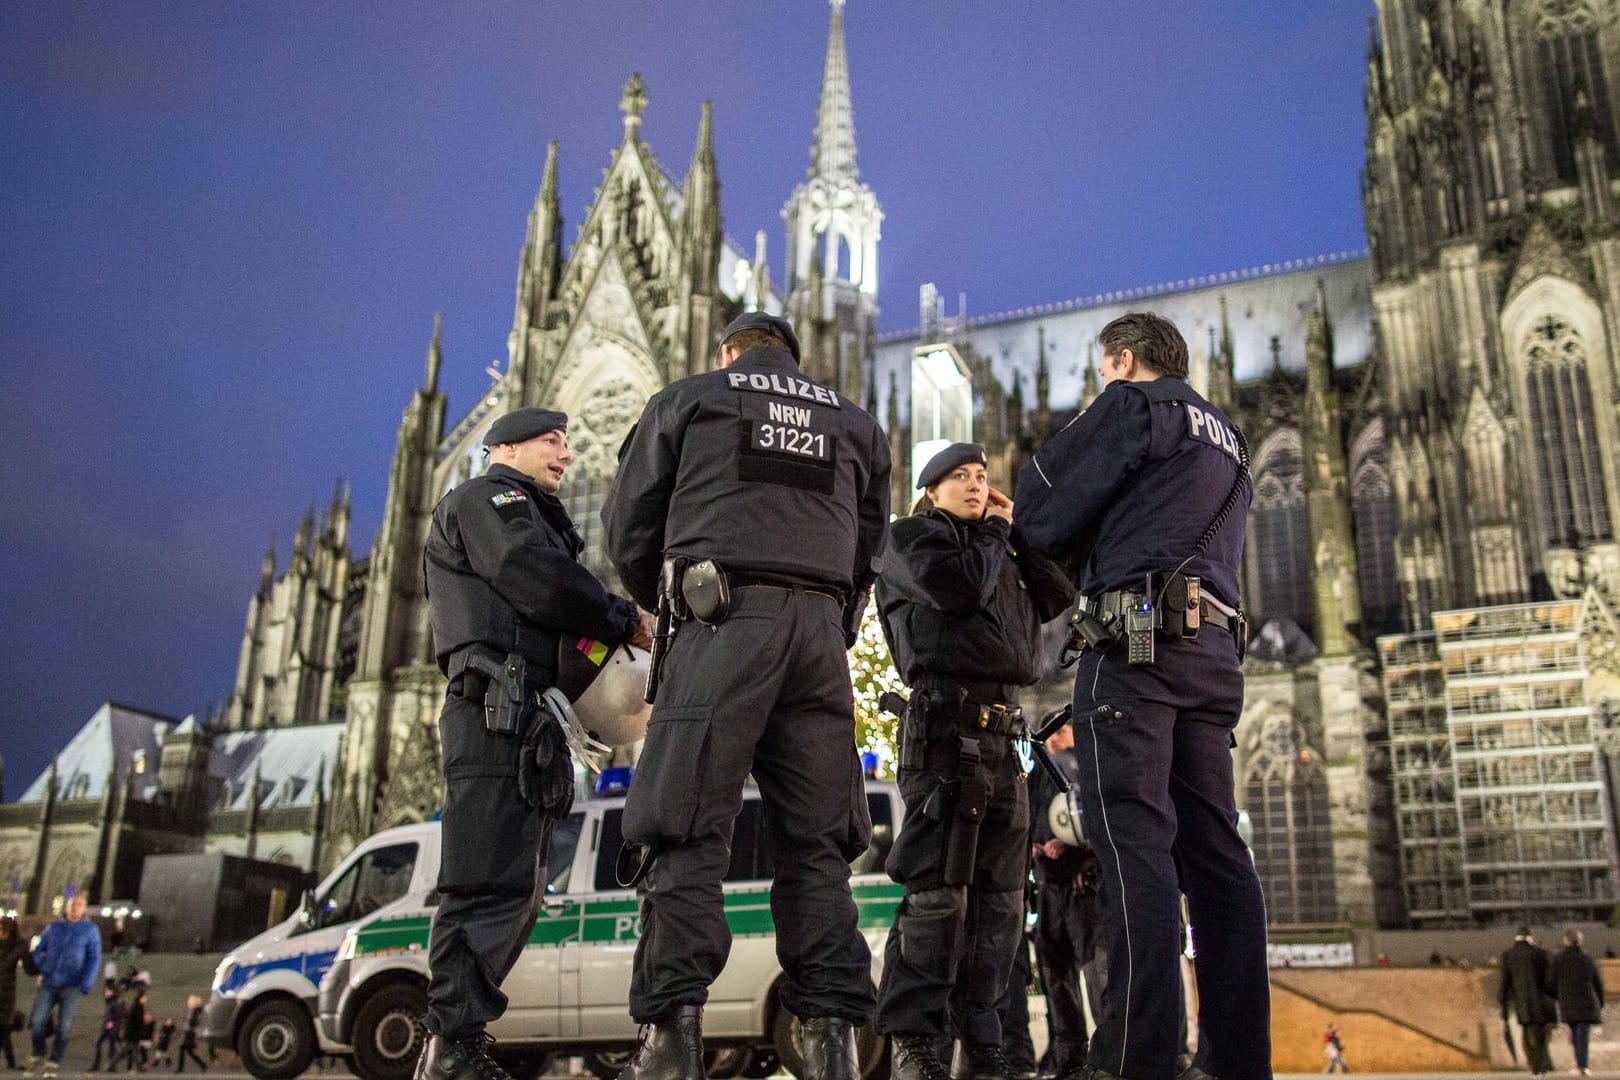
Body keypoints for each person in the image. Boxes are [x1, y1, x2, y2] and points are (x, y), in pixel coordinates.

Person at [603, 311, 891, 1080]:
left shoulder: (692, 399)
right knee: (821, 844)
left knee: (686, 827)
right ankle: (832, 1047)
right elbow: (871, 544)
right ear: (794, 358)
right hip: (820, 639)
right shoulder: (855, 424)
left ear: (729, 353)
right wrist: (834, 616)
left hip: (721, 622)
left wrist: (671, 603)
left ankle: (671, 1046)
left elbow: (629, 525)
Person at [1015, 312, 1268, 1080]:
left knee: (1134, 850)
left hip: (1136, 648)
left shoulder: (1132, 405)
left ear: (1123, 361)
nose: (1101, 383)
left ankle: (1135, 1059)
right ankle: (1236, 1062)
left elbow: (1040, 503)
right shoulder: (1227, 435)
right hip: (1215, 654)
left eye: (1103, 371)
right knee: (1218, 854)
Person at [415, 407, 652, 1080]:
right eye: (552, 441)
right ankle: (451, 1049)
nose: (566, 454)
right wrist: (623, 619)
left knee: (517, 882)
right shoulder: (488, 500)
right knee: (487, 879)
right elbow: (535, 576)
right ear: (504, 447)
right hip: (496, 710)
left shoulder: (526, 510)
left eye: (567, 442)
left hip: (530, 719)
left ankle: (460, 1041)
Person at [869, 442, 1071, 1080]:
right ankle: (916, 1042)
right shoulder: (909, 540)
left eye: (983, 477)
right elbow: (955, 592)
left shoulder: (994, 548)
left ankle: (985, 1045)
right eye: (961, 477)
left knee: (1000, 905)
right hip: (943, 736)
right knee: (938, 898)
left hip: (1005, 735)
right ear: (930, 490)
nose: (976, 486)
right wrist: (990, 538)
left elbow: (1055, 593)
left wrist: (1016, 533)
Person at [1028, 723, 1102, 1079]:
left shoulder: (1077, 766)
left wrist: (1067, 841)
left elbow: (1084, 820)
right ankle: (1070, 1057)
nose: (1054, 736)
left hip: (1078, 888)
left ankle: (1097, 1055)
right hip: (1051, 886)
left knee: (1091, 974)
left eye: (1062, 730)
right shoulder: (1047, 768)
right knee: (1059, 978)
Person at [28, 894, 102, 1076]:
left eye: (79, 905)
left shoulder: (90, 929)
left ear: (84, 909)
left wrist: (86, 982)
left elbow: (94, 958)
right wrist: (43, 967)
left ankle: (54, 1059)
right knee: (37, 1022)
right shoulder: (53, 927)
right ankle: (38, 1053)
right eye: (73, 904)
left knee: (64, 1026)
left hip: (73, 985)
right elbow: (39, 950)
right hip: (49, 982)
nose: (75, 907)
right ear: (67, 907)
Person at [1497, 927, 1556, 1077]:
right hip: (1541, 1001)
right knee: (1540, 1035)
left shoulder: (1508, 955)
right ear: (1530, 938)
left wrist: (1503, 1000)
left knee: (1526, 1032)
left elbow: (1505, 982)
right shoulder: (1541, 954)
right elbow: (1549, 981)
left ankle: (1533, 1065)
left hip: (1521, 1002)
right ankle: (1539, 1067)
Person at [1550, 929, 1603, 1077]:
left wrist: (1556, 997)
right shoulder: (1588, 959)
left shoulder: (1558, 960)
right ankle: (1582, 1066)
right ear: (1580, 941)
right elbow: (1597, 983)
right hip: (1586, 1001)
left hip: (1567, 1002)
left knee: (1575, 1032)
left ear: (1565, 941)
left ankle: (1580, 1065)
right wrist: (1601, 1002)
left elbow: (1551, 983)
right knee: (1582, 1033)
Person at [1, 916, 31, 1071]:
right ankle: (11, 1062)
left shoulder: (18, 945)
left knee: (5, 1028)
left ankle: (11, 1062)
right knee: (4, 1030)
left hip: (6, 992)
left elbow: (29, 968)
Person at [87, 986, 124, 1071]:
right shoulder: (110, 1003)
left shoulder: (115, 1003)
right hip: (106, 1028)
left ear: (113, 992)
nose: (106, 993)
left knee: (110, 1047)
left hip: (111, 1029)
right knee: (102, 1044)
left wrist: (112, 1023)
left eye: (108, 991)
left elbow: (118, 1016)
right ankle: (101, 1065)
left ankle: (109, 1066)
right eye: (106, 991)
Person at [176, 996, 208, 1073]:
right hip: (189, 1033)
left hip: (189, 1033)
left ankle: (180, 1069)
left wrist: (187, 1026)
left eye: (190, 1001)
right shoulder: (194, 1011)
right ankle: (203, 1064)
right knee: (189, 1052)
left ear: (193, 1003)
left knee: (182, 1049)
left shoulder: (195, 1011)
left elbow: (193, 1022)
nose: (188, 1002)